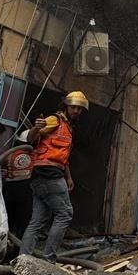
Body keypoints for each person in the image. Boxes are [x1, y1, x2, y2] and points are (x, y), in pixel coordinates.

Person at [20, 91, 88, 262]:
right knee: (65, 214)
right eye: (73, 107)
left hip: (42, 175)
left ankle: (23, 260)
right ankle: (49, 260)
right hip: (48, 173)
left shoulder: (68, 128)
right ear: (66, 106)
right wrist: (36, 127)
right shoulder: (54, 120)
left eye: (79, 109)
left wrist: (69, 177)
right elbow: (30, 139)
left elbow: (63, 157)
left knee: (37, 221)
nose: (76, 111)